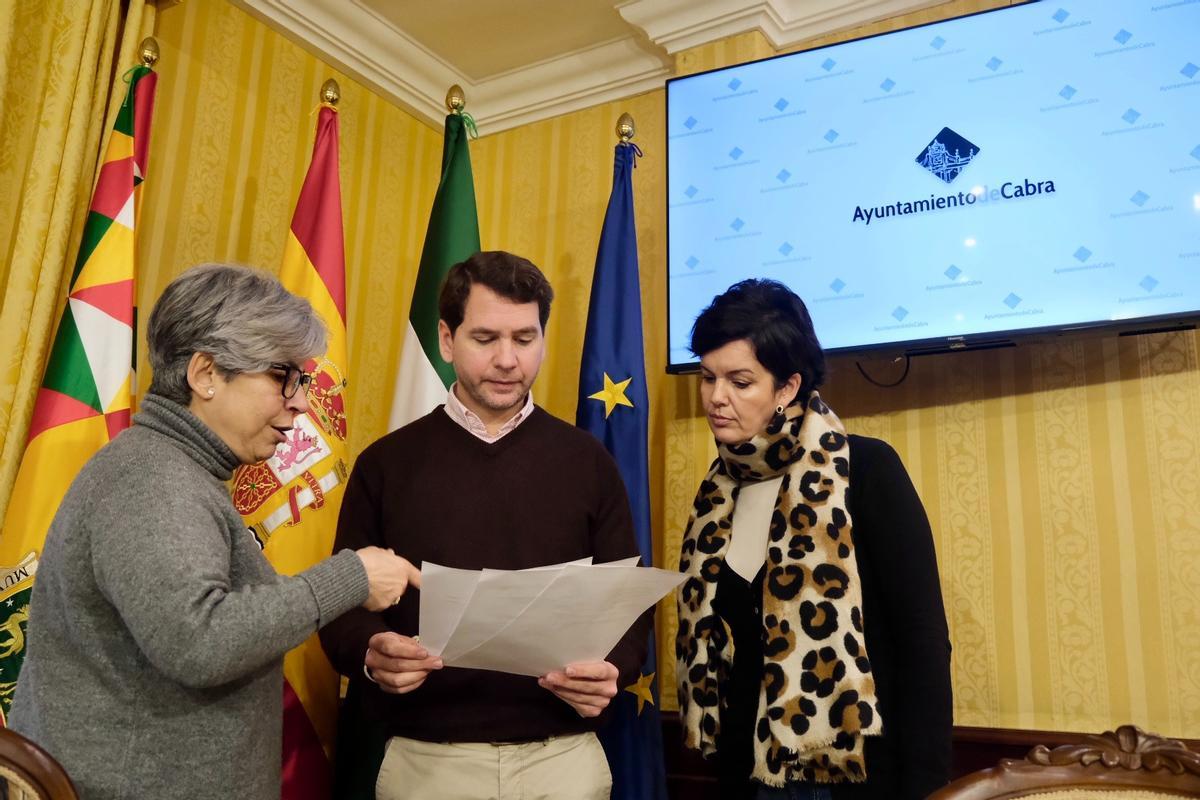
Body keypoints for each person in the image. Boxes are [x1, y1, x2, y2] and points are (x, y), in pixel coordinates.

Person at [8, 264, 420, 800]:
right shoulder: (150, 479)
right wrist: (352, 577)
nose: (299, 401)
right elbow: (200, 642)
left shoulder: (174, 470)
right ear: (205, 375)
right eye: (283, 377)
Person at [319, 250, 651, 800]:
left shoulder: (588, 461)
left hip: (563, 757)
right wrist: (371, 653)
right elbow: (341, 604)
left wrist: (612, 668)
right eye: (485, 339)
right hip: (425, 760)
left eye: (525, 339)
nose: (507, 360)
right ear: (447, 340)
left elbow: (627, 605)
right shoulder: (386, 464)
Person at [675, 279, 952, 799]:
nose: (716, 397)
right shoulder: (719, 492)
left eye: (740, 381)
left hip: (855, 777)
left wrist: (929, 787)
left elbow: (923, 642)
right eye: (707, 377)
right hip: (749, 772)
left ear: (786, 388)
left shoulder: (865, 469)